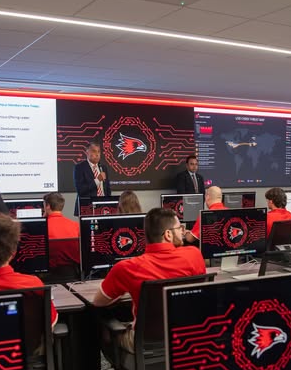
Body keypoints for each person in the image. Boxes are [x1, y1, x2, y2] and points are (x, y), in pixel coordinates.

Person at [93, 208, 206, 352]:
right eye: (180, 228)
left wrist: (124, 290)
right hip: (187, 338)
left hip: (147, 343)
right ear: (168, 234)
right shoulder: (194, 255)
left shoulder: (126, 268)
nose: (183, 232)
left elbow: (98, 301)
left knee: (106, 329)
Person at [73, 142, 111, 216]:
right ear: (87, 153)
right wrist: (97, 180)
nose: (97, 154)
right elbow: (81, 190)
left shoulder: (103, 167)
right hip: (87, 207)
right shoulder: (79, 168)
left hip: (103, 207)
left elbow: (107, 188)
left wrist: (108, 202)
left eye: (98, 152)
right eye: (94, 151)